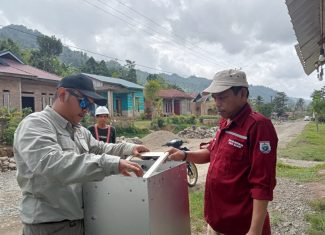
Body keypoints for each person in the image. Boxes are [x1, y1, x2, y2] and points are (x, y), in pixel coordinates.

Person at [13, 73, 149, 235]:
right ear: (63, 94)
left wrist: (128, 148)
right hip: (49, 225)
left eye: (90, 106)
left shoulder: (79, 130)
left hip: (79, 221)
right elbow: (50, 163)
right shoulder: (36, 124)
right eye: (83, 102)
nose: (86, 110)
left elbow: (100, 148)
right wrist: (111, 164)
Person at [168, 69, 277, 235]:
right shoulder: (225, 122)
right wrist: (184, 155)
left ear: (242, 94)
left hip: (241, 227)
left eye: (223, 97)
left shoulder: (258, 126)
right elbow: (213, 152)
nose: (217, 103)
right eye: (215, 98)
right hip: (217, 222)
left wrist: (255, 231)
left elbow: (263, 183)